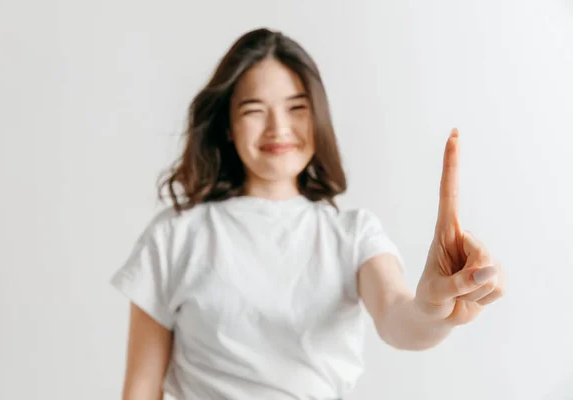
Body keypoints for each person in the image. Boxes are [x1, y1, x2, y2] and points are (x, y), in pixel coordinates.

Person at [109, 27, 505, 400]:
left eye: (296, 107)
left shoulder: (352, 234)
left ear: (317, 117)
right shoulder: (175, 236)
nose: (278, 127)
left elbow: (400, 320)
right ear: (228, 126)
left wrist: (434, 307)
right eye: (254, 110)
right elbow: (140, 390)